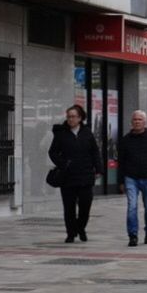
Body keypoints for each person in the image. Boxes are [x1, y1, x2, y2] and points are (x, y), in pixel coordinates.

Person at [49, 104, 102, 243]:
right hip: (68, 176)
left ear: (80, 118)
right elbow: (52, 152)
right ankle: (71, 233)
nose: (70, 119)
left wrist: (99, 168)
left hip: (85, 175)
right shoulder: (61, 133)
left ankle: (81, 227)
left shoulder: (87, 132)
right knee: (69, 207)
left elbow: (95, 152)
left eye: (73, 117)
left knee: (85, 206)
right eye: (68, 117)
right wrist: (63, 163)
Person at [118, 110, 147, 247]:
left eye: (139, 120)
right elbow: (121, 161)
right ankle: (133, 235)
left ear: (145, 122)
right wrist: (121, 181)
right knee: (132, 207)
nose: (137, 122)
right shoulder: (126, 140)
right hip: (130, 177)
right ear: (131, 122)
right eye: (134, 119)